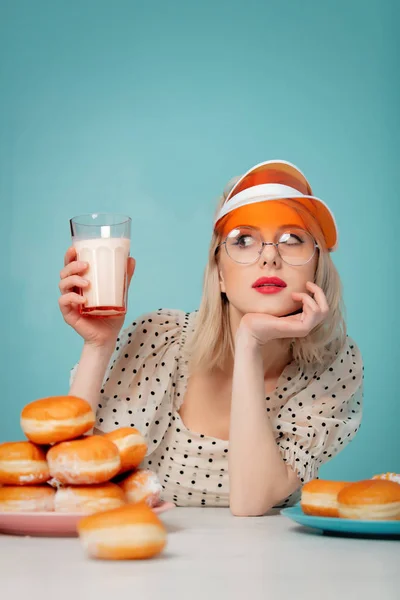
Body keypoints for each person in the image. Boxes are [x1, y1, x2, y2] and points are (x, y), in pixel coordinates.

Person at [59, 160, 363, 516]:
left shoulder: (333, 367)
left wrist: (250, 341)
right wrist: (98, 346)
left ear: (317, 265)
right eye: (244, 240)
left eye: (291, 239)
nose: (269, 256)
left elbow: (250, 502)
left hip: (265, 567)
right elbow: (71, 478)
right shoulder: (159, 339)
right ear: (218, 273)